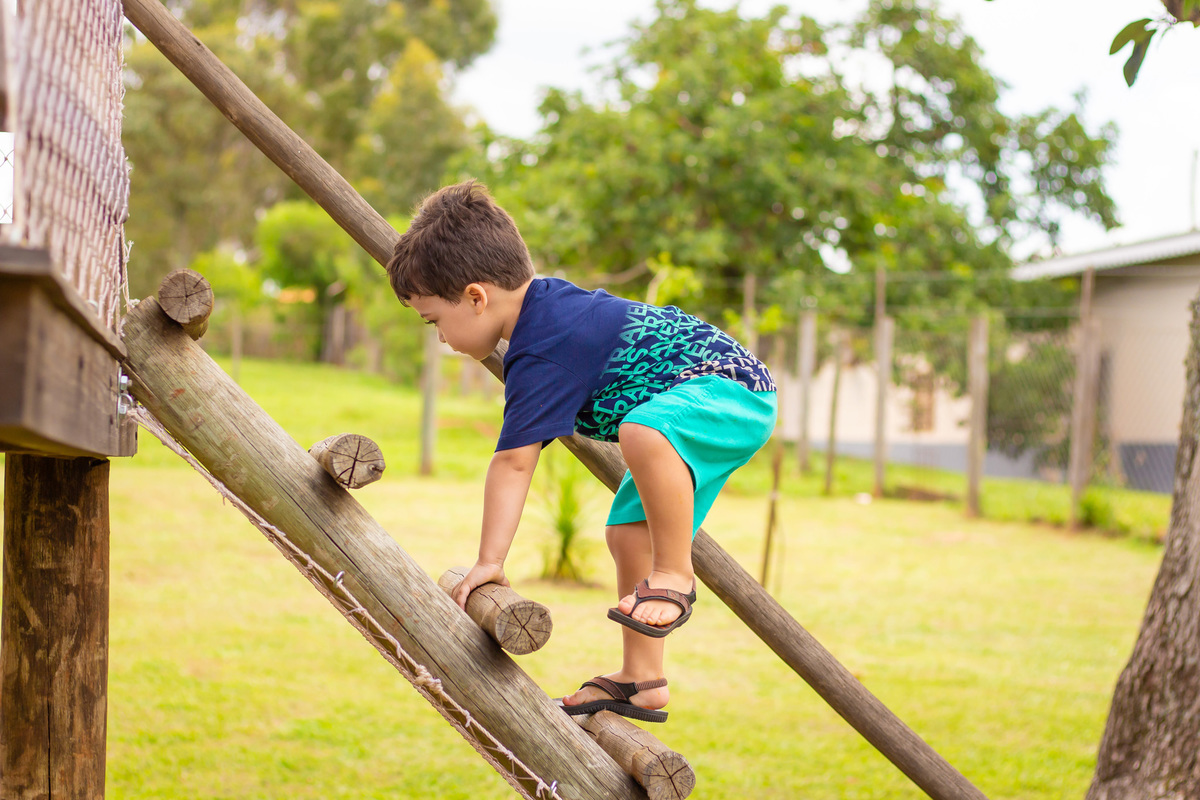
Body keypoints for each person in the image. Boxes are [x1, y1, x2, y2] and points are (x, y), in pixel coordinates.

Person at [387, 180, 776, 723]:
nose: (441, 339)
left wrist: (490, 563)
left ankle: (674, 575)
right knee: (625, 530)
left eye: (435, 322)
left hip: (729, 390)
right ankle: (642, 679)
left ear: (476, 298)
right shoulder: (544, 313)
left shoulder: (544, 345)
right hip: (702, 399)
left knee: (644, 431)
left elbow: (514, 461)